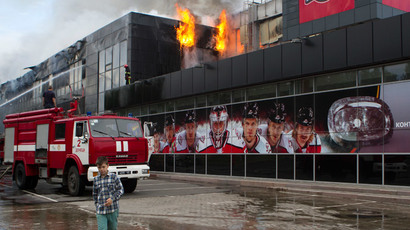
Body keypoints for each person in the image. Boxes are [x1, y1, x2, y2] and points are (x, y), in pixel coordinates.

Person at [93, 156, 124, 230]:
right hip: (101, 210)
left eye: (103, 167)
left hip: (113, 209)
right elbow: (95, 194)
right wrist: (97, 205)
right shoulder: (96, 179)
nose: (101, 169)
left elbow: (121, 190)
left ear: (107, 166)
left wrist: (112, 199)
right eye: (99, 167)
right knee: (102, 228)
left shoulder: (114, 177)